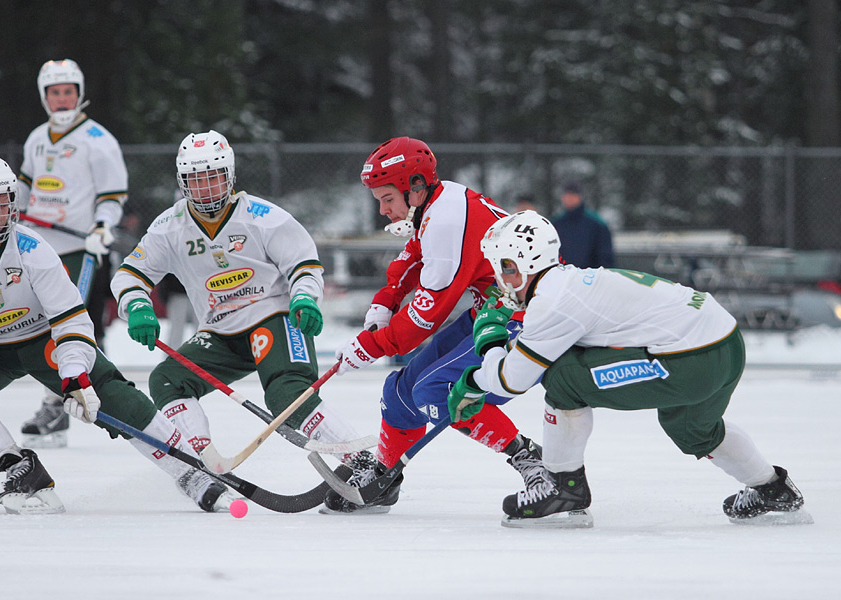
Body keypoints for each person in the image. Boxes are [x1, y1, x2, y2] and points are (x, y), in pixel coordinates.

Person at [447, 210, 809, 527]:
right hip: (726, 341)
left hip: (691, 358)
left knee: (563, 379)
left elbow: (513, 379)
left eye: (502, 268)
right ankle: (772, 487)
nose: (499, 279)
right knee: (691, 429)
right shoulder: (567, 283)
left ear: (522, 265)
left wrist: (485, 347)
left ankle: (563, 486)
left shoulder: (554, 299)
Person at [0, 154, 236, 514]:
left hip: (42, 340)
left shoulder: (33, 249)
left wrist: (74, 375)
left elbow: (71, 320)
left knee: (116, 397)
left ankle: (191, 470)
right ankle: (18, 466)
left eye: (4, 202)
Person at [109, 130, 371, 474]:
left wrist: (305, 299)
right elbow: (129, 275)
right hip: (220, 334)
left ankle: (368, 465)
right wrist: (138, 306)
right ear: (182, 183)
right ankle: (201, 460)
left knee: (286, 395)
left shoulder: (264, 217)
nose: (204, 190)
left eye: (213, 179)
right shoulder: (169, 227)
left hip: (275, 319)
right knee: (167, 380)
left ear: (229, 176)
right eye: (195, 181)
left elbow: (304, 265)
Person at [330, 137, 545, 513]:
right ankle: (386, 475)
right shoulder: (438, 201)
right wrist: (384, 302)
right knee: (400, 390)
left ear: (414, 186)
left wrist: (370, 346)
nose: (382, 210)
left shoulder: (447, 220)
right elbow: (412, 256)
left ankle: (537, 465)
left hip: (531, 316)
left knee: (437, 390)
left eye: (387, 199)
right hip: (495, 309)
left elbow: (423, 320)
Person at [17, 59, 129, 448]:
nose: (62, 100)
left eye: (68, 92)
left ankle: (59, 404)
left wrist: (102, 226)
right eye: (55, 93)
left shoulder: (98, 140)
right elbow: (23, 192)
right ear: (44, 96)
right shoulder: (35, 139)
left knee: (68, 326)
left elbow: (113, 195)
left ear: (79, 94)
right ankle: (70, 396)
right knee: (37, 326)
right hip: (38, 249)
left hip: (81, 250)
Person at [550, 181, 614, 268]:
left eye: (572, 195)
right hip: (563, 276)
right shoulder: (556, 224)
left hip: (588, 277)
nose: (569, 198)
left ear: (580, 197)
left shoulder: (596, 224)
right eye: (566, 195)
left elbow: (605, 256)